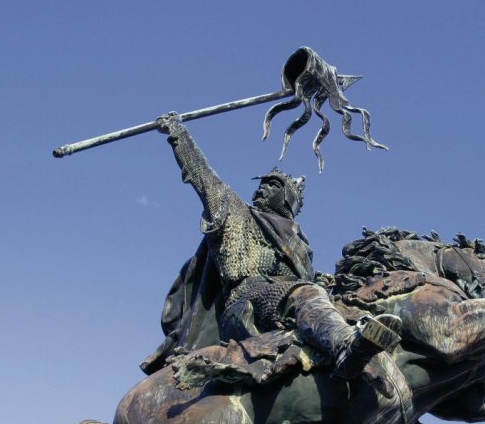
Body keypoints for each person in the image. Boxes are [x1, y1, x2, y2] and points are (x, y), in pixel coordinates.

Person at [155, 112, 402, 392]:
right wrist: (178, 133)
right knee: (307, 294)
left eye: (273, 186)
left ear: (288, 199)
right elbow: (202, 175)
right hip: (247, 299)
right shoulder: (235, 213)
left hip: (285, 301)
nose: (262, 189)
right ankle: (346, 348)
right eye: (262, 184)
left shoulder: (298, 245)